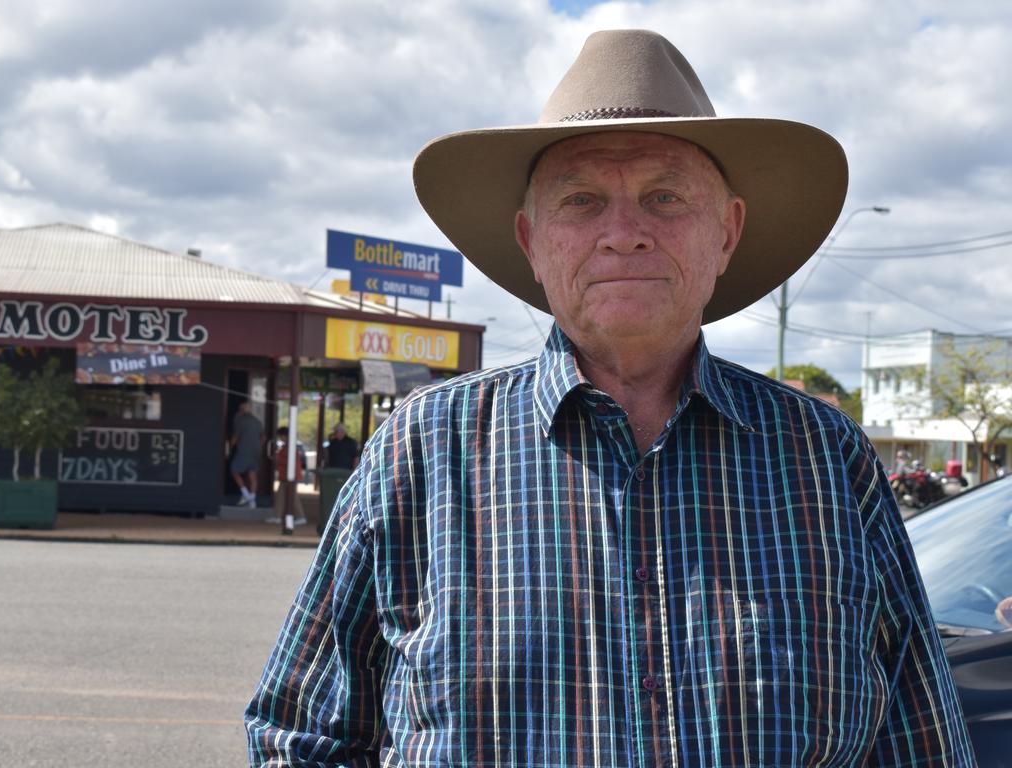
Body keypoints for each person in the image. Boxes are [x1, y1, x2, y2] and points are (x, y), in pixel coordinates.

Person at [246, 30, 975, 766]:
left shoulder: (826, 459)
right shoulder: (423, 453)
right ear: (532, 243)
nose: (624, 234)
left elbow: (922, 743)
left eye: (664, 196)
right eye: (582, 200)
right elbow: (300, 738)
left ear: (726, 232)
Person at [268, 426, 307, 526]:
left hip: (290, 476)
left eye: (281, 436)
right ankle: (277, 516)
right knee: (281, 496)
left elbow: (289, 461)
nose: (280, 439)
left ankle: (300, 516)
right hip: (286, 475)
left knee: (292, 497)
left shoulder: (289, 447)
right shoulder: (288, 446)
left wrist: (277, 458)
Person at [229, 400, 263, 508]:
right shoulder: (258, 421)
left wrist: (229, 446)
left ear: (241, 410)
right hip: (256, 452)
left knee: (234, 470)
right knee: (252, 475)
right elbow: (263, 437)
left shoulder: (240, 420)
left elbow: (235, 437)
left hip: (244, 451)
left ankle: (245, 494)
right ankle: (252, 500)